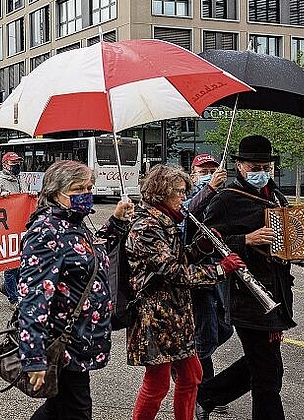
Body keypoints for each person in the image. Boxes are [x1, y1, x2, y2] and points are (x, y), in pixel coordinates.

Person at [126, 164, 245, 420]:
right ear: (161, 193)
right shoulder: (147, 227)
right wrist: (220, 270)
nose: (184, 198)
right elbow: (174, 273)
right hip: (155, 317)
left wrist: (200, 247)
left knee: (192, 375)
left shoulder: (167, 222)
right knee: (157, 383)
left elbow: (179, 259)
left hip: (175, 316)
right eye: (179, 192)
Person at [19, 160, 133, 420]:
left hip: (81, 339)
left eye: (89, 187)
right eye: (77, 189)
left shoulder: (74, 223)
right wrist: (35, 357)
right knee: (77, 411)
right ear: (54, 192)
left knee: (58, 409)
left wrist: (116, 222)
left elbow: (89, 254)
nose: (86, 194)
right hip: (63, 342)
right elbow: (33, 296)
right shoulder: (46, 231)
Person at [196, 136, 294, 420]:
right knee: (268, 375)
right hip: (246, 295)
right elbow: (205, 242)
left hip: (277, 293)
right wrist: (245, 240)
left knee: (264, 365)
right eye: (254, 166)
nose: (260, 171)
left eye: (265, 165)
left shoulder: (277, 196)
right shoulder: (227, 199)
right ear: (239, 165)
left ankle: (208, 393)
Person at [183, 154, 231, 415]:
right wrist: (210, 187)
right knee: (204, 336)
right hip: (197, 277)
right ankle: (204, 392)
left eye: (213, 169)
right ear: (194, 173)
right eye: (204, 170)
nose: (209, 173)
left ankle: (203, 385)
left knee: (223, 329)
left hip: (219, 275)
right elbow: (186, 212)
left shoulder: (223, 197)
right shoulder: (187, 195)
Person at [0, 152, 26, 311]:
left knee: (20, 263)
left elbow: (26, 199)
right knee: (11, 264)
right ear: (5, 165)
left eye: (18, 163)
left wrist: (29, 195)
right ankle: (13, 298)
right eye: (13, 163)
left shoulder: (21, 180)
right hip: (7, 228)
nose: (16, 166)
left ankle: (7, 287)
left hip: (22, 227)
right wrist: (0, 196)